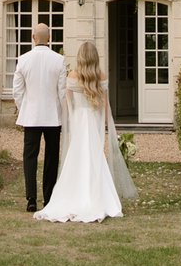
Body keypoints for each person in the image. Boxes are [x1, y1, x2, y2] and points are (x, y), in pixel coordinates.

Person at [33, 41, 138, 223]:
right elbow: (105, 106)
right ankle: (97, 197)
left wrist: (71, 121)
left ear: (80, 57)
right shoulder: (101, 76)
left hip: (79, 121)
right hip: (93, 121)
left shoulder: (73, 75)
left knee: (77, 156)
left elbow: (68, 102)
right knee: (94, 156)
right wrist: (109, 127)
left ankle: (72, 196)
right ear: (95, 57)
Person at [13, 22, 65, 213]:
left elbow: (17, 92)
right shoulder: (59, 60)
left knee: (30, 157)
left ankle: (31, 199)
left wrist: (24, 108)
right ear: (49, 38)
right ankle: (49, 198)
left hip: (31, 117)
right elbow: (62, 92)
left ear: (33, 37)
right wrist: (63, 113)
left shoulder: (23, 59)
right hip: (52, 116)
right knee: (52, 157)